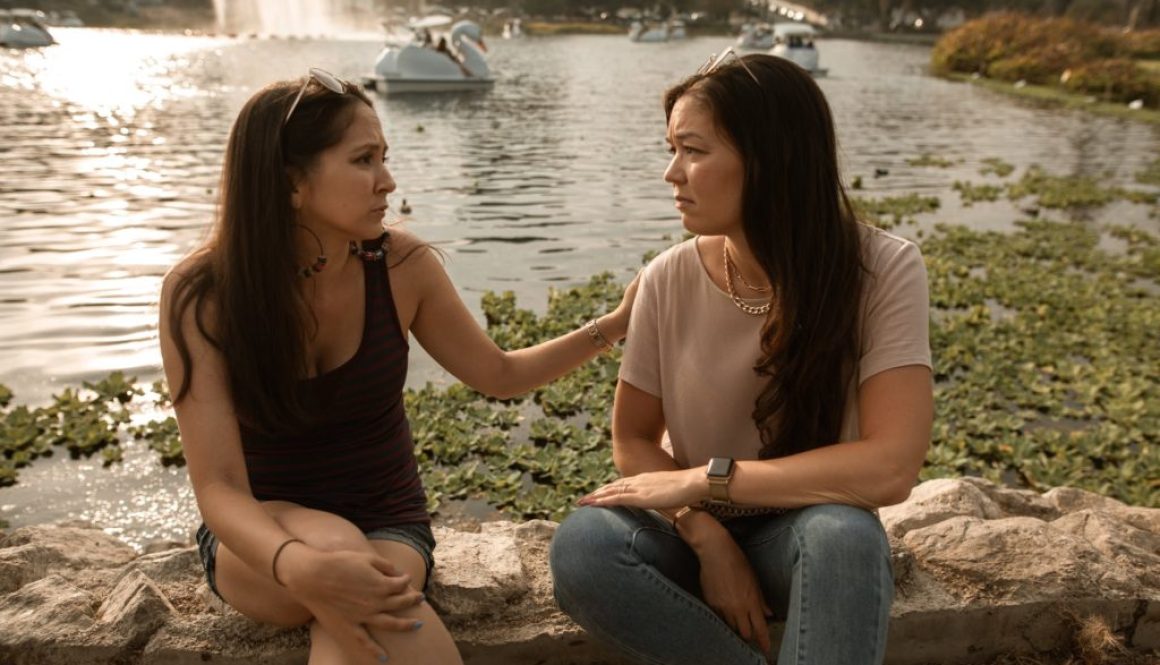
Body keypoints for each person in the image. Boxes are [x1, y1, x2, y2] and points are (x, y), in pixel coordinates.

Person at [159, 69, 637, 665]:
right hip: (256, 538)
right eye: (364, 160)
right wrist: (297, 564)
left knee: (358, 586)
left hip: (389, 523)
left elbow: (500, 375)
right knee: (342, 558)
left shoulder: (402, 266)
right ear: (290, 183)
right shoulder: (201, 293)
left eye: (384, 157)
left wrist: (613, 325)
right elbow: (220, 488)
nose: (388, 181)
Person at [549, 51, 932, 665]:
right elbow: (634, 439)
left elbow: (891, 467)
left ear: (772, 158)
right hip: (690, 529)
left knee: (845, 536)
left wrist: (709, 478)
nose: (672, 173)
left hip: (805, 530)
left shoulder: (882, 268)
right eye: (671, 149)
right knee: (586, 547)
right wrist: (705, 531)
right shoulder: (666, 277)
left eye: (694, 151)